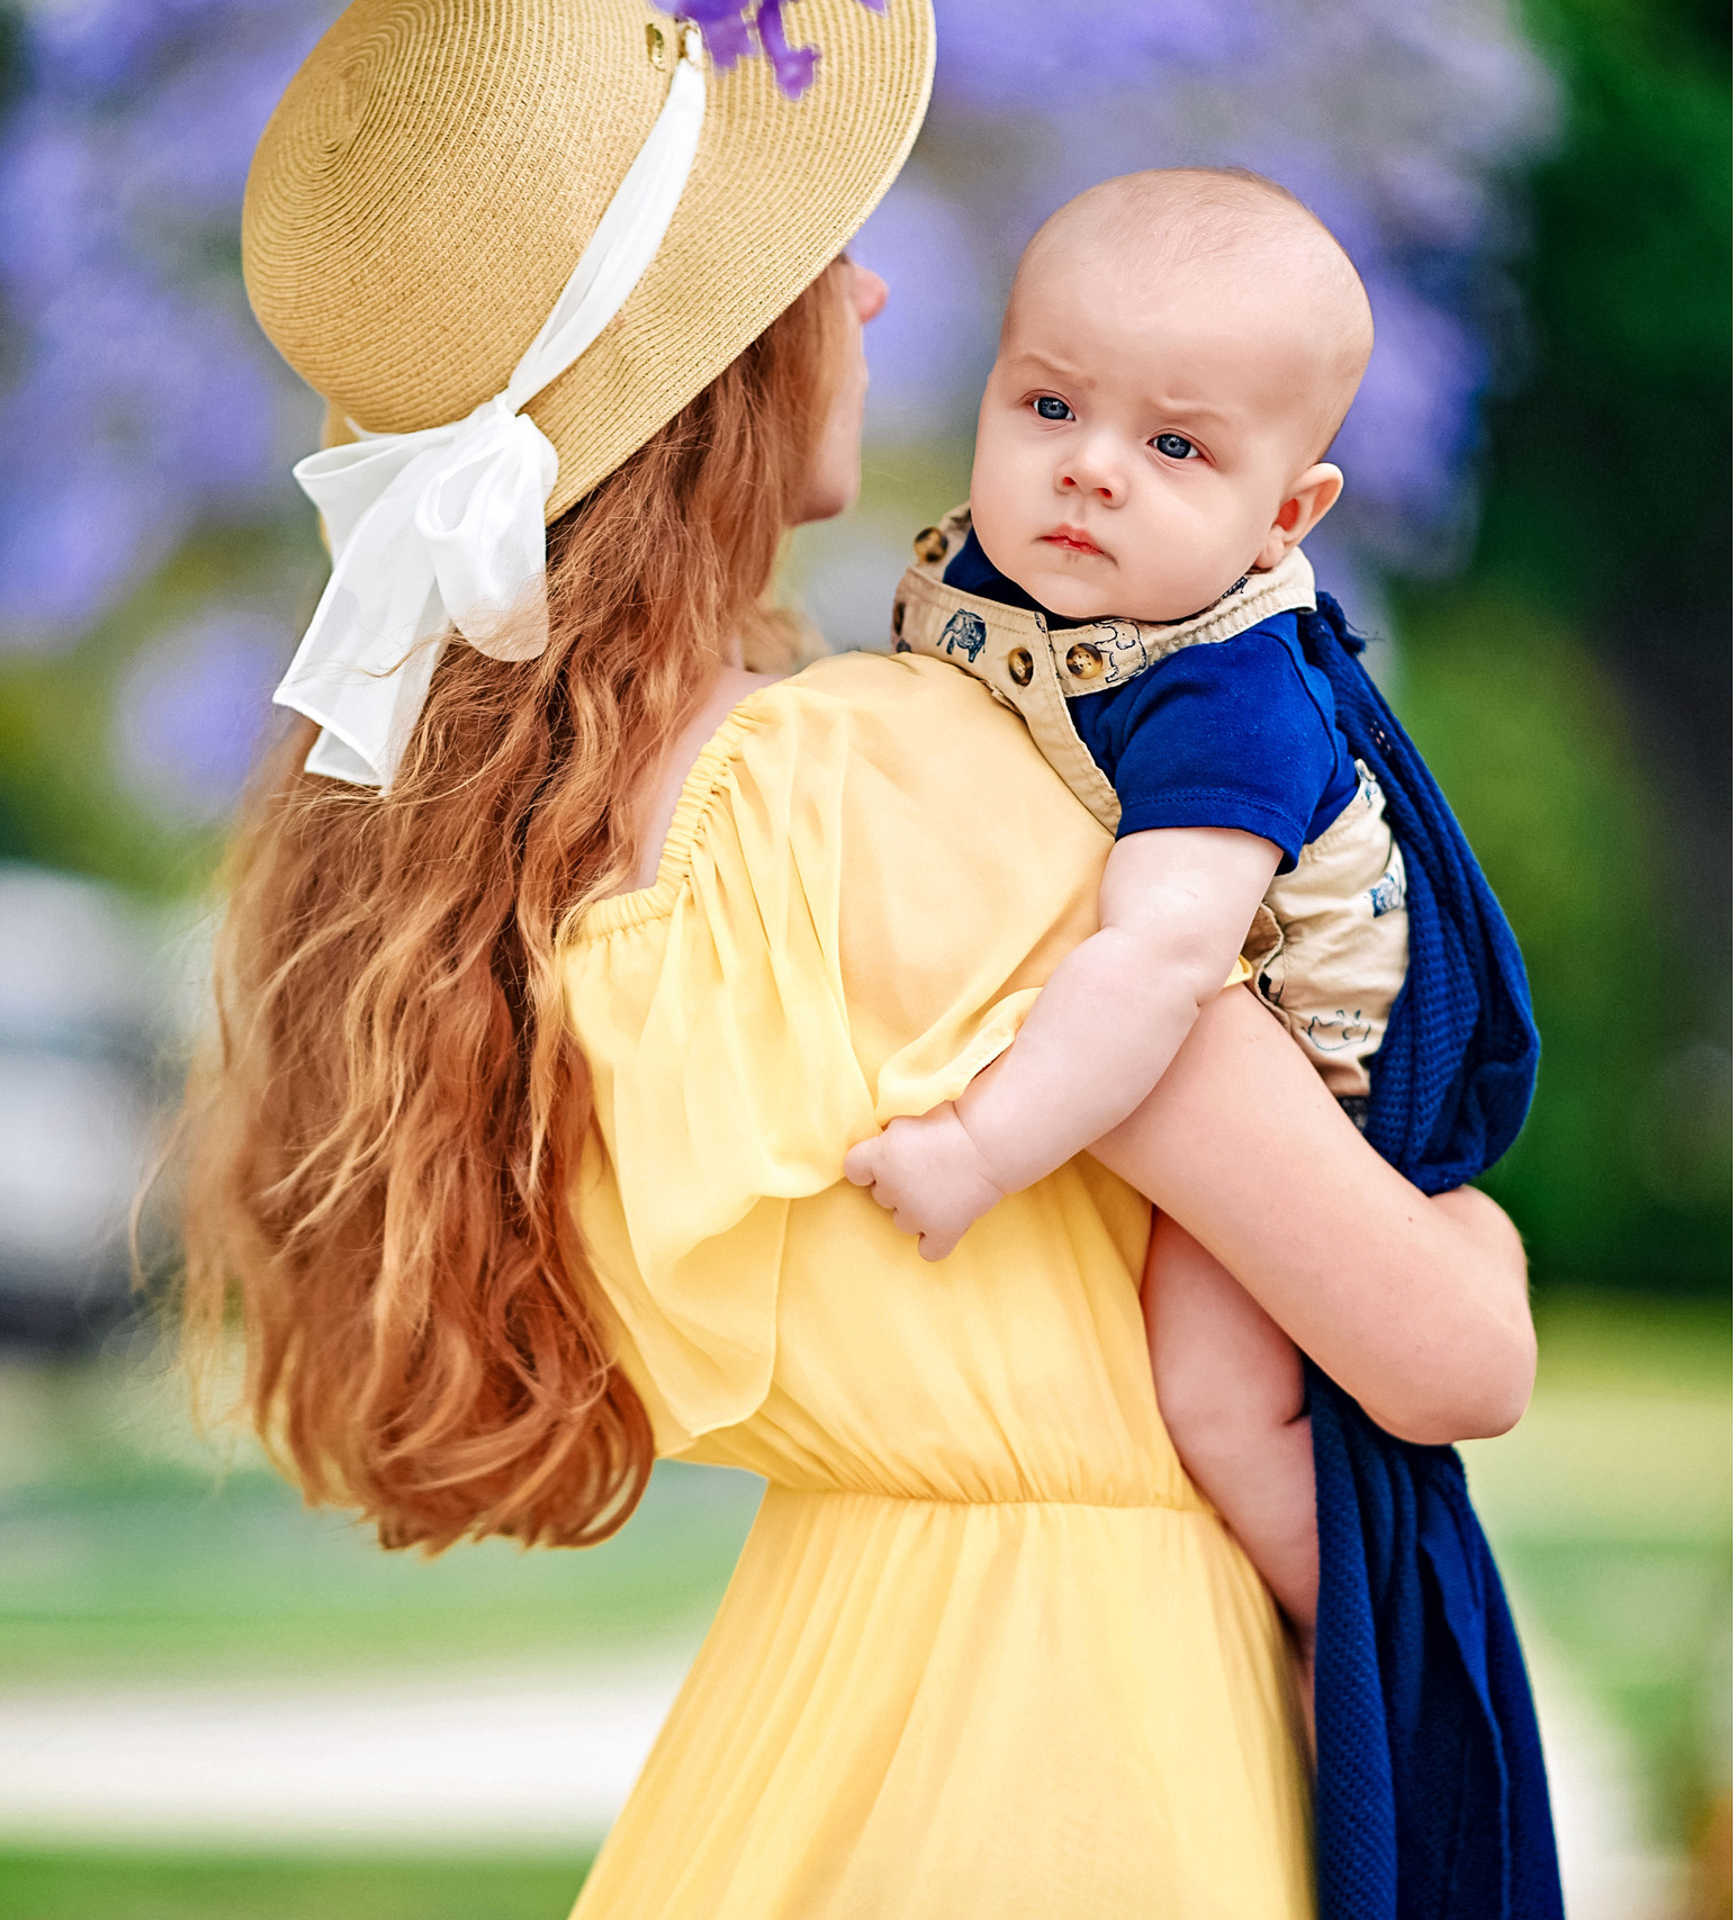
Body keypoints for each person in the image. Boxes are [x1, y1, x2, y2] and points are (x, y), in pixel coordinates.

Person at [180, 4, 1536, 1913]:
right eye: (817, 260)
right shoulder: (882, 787)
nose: (880, 292)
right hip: (1073, 1753)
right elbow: (1447, 1357)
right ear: (724, 361)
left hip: (812, 1710)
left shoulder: (521, 831)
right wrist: (1475, 1238)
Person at [844, 169, 1406, 1659]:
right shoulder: (990, 570)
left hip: (1282, 1040)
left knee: (1219, 1399)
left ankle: (1348, 1667)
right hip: (1112, 1003)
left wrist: (981, 1149)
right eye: (1048, 408)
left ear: (1284, 514)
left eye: (1174, 445)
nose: (1092, 470)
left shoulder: (1232, 697)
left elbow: (1163, 963)